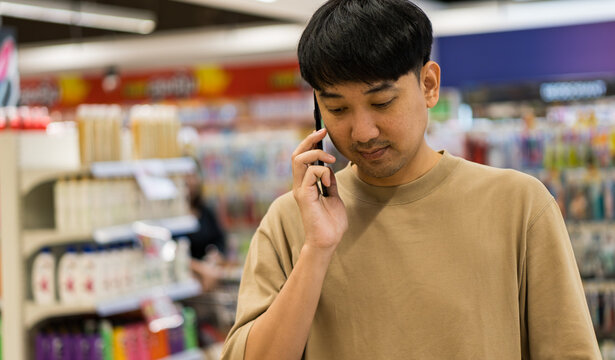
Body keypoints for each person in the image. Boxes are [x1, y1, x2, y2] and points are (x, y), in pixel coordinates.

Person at [222, 0, 600, 359]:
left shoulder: (518, 204)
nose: (363, 132)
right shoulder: (292, 221)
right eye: (337, 109)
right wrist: (317, 250)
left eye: (382, 102)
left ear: (428, 85)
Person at [178, 161, 227, 291]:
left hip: (208, 275)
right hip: (185, 278)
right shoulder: (172, 217)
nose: (190, 181)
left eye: (193, 175)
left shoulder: (206, 211)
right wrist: (198, 267)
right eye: (186, 176)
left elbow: (219, 239)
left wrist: (215, 254)